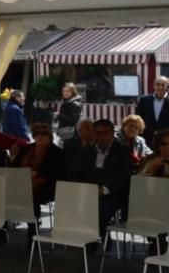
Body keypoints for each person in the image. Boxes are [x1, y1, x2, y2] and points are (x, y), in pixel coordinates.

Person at [80, 119, 133, 247]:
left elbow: (124, 176)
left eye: (105, 132)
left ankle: (96, 238)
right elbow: (81, 172)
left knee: (100, 210)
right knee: (76, 204)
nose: (102, 136)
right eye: (98, 133)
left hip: (114, 193)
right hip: (90, 191)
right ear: (94, 134)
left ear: (112, 133)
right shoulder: (87, 151)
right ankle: (97, 235)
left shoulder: (123, 150)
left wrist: (104, 190)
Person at [11, 122, 65, 242]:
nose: (39, 136)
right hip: (22, 183)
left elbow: (57, 173)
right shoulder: (26, 149)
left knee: (31, 196)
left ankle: (32, 230)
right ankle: (1, 230)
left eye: (43, 133)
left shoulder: (57, 153)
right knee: (4, 193)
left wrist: (36, 174)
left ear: (49, 135)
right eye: (36, 133)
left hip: (47, 186)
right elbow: (13, 167)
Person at [136, 75, 169, 146]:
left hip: (166, 140)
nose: (160, 87)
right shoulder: (144, 100)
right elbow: (138, 118)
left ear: (167, 87)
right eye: (158, 84)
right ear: (154, 85)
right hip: (147, 138)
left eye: (163, 85)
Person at [62, 118, 96, 182]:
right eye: (87, 128)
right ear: (79, 131)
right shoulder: (69, 144)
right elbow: (66, 166)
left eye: (93, 128)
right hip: (73, 182)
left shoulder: (101, 144)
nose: (91, 130)